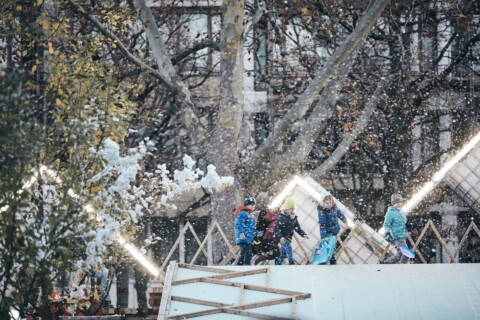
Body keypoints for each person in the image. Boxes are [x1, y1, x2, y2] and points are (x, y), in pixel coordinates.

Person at [275, 197, 309, 265]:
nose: (292, 210)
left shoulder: (294, 218)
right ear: (286, 209)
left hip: (288, 237)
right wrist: (280, 237)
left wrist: (303, 234)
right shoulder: (281, 217)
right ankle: (291, 262)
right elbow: (277, 228)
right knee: (288, 247)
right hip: (283, 238)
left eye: (293, 209)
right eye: (290, 209)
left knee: (284, 254)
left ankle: (277, 264)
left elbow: (297, 228)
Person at [317, 195, 347, 265]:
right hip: (328, 232)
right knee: (330, 247)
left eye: (330, 202)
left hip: (335, 231)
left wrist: (344, 219)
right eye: (326, 203)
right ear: (323, 203)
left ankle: (331, 260)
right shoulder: (322, 211)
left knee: (333, 246)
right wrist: (323, 236)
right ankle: (331, 261)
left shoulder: (334, 207)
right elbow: (322, 224)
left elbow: (339, 213)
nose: (329, 204)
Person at [382, 193, 409, 264]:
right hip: (397, 236)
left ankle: (386, 263)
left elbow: (404, 222)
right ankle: (388, 263)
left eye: (400, 202)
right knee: (404, 253)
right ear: (393, 203)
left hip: (402, 235)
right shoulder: (390, 213)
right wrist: (387, 231)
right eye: (397, 203)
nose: (399, 204)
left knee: (401, 253)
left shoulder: (401, 212)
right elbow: (386, 224)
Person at [234, 194, 257, 265]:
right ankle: (246, 266)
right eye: (251, 204)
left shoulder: (251, 215)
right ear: (246, 205)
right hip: (243, 237)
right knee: (248, 253)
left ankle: (239, 266)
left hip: (249, 238)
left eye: (254, 205)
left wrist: (256, 234)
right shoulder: (243, 213)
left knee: (244, 253)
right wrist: (241, 232)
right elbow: (239, 224)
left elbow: (252, 227)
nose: (253, 206)